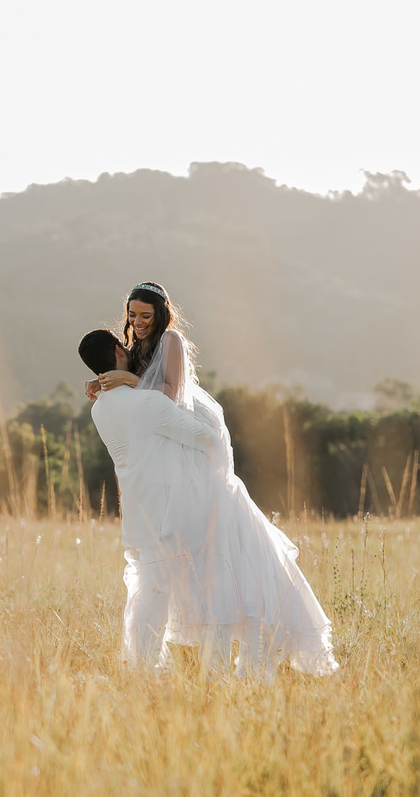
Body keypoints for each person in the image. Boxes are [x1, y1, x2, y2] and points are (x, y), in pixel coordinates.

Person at [88, 282, 339, 680]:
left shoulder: (170, 340)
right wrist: (108, 380)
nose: (137, 323)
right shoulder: (134, 347)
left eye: (145, 316)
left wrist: (126, 381)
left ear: (162, 313)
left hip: (192, 423)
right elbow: (138, 398)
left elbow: (167, 396)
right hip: (170, 431)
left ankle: (237, 654)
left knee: (219, 550)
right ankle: (208, 661)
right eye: (132, 315)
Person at [77, 329, 226, 671]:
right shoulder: (150, 401)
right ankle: (215, 671)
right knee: (205, 589)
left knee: (150, 595)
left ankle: (142, 666)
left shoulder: (99, 408)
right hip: (175, 510)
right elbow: (209, 440)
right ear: (118, 350)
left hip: (137, 511)